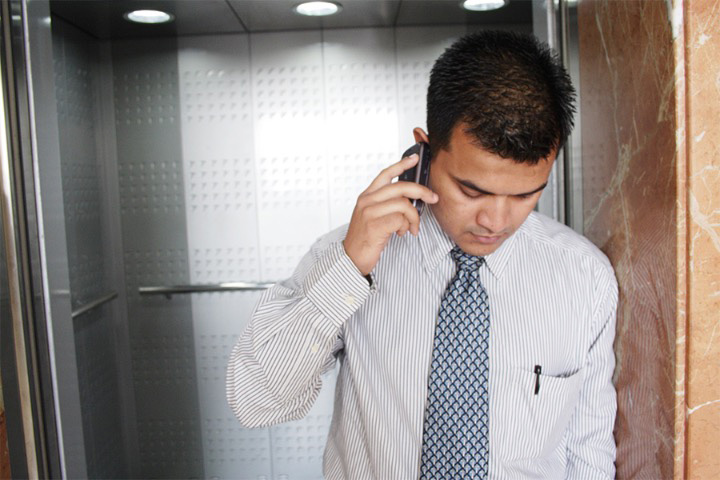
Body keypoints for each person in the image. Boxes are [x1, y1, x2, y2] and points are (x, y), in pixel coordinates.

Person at [227, 30, 617, 479]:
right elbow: (256, 400)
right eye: (472, 190)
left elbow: (590, 451)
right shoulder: (347, 256)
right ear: (425, 149)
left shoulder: (584, 277)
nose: (495, 221)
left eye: (526, 195)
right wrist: (349, 269)